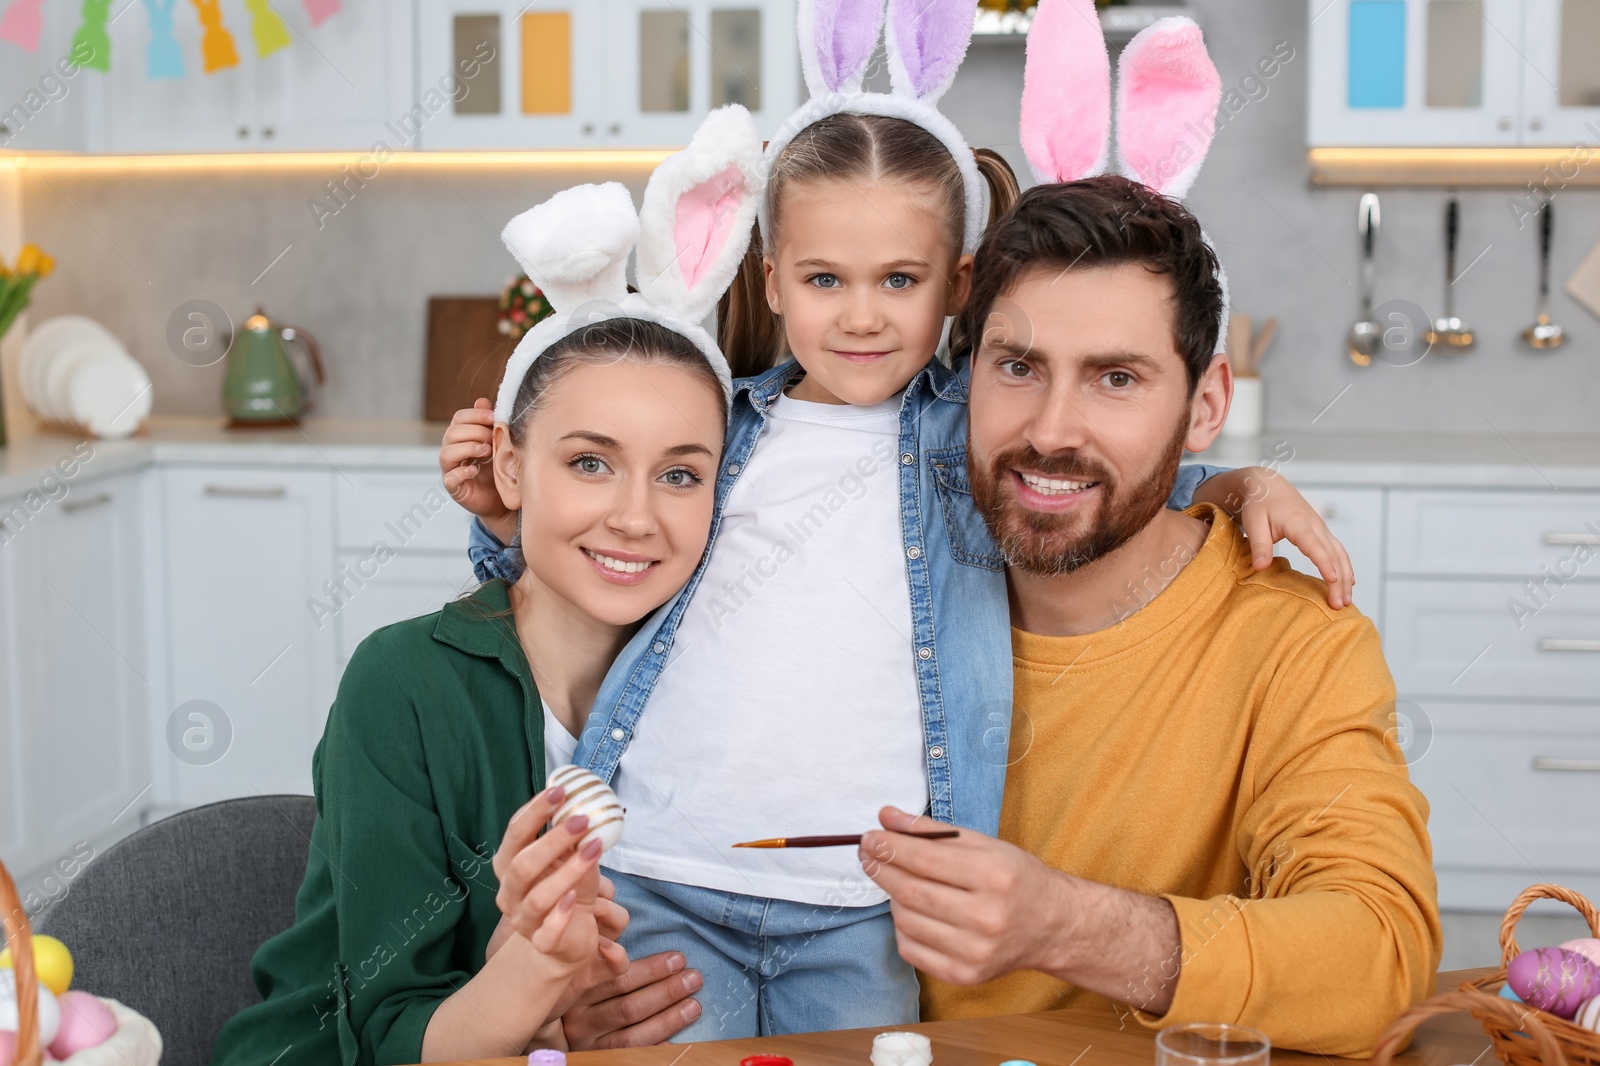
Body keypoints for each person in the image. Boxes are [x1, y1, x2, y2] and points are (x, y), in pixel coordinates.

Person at [440, 0, 1357, 1043]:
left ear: (955, 286)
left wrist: (1225, 484)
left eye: (900, 281)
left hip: (866, 909)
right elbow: (612, 552)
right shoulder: (719, 425)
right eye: (826, 280)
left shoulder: (966, 434)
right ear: (772, 280)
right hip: (665, 869)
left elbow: (1086, 472)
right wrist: (501, 521)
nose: (863, 315)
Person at [857, 7, 1440, 1055]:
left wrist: (1070, 925)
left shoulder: (1293, 643)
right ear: (964, 370)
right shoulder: (868, 576)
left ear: (1205, 404)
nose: (1048, 432)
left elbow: (1379, 951)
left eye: (1116, 378)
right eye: (1017, 365)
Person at [212, 107, 763, 1065]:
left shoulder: (715, 683)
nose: (637, 516)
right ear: (510, 470)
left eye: (680, 475)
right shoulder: (404, 686)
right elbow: (388, 1035)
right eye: (590, 463)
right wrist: (536, 993)